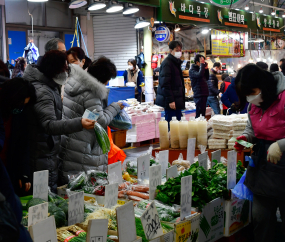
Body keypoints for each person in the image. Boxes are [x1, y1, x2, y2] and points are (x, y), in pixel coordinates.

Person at [23, 50, 95, 192]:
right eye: (66, 66)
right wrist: (79, 123)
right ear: (55, 69)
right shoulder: (43, 90)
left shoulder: (49, 85)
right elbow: (49, 124)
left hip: (48, 150)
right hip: (42, 151)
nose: (68, 70)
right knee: (45, 198)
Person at [234, 63, 285, 242]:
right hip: (263, 169)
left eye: (252, 92)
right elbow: (251, 129)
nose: (250, 98)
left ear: (264, 85)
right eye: (246, 94)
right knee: (260, 218)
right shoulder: (253, 105)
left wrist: (281, 145)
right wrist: (245, 138)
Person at [59, 57, 123, 184]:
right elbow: (100, 121)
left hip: (69, 142)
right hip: (84, 148)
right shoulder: (92, 93)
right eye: (108, 79)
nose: (108, 82)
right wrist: (115, 107)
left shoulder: (74, 82)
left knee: (70, 187)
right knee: (85, 188)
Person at [0, 78, 36, 197]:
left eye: (24, 106)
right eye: (20, 104)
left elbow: (23, 145)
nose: (20, 108)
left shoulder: (20, 115)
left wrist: (23, 173)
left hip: (7, 169)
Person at [156, 41, 185, 124]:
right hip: (171, 101)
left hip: (177, 99)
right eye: (177, 50)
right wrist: (171, 100)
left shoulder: (176, 62)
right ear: (171, 50)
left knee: (178, 126)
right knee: (172, 127)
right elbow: (165, 84)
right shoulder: (167, 63)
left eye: (180, 50)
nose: (179, 52)